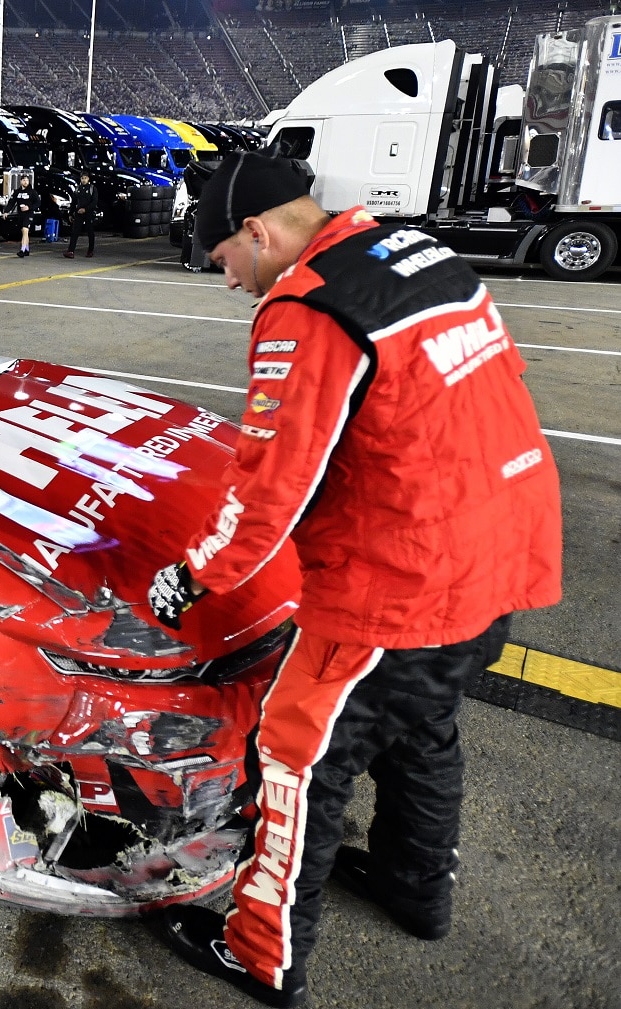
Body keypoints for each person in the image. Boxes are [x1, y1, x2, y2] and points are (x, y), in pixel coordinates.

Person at [145, 152, 562, 1008]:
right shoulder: (420, 256)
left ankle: (262, 954)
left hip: (401, 581)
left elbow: (270, 485)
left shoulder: (308, 310)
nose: (230, 283)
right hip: (502, 553)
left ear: (257, 233)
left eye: (224, 260)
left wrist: (190, 579)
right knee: (424, 725)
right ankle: (417, 888)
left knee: (298, 758)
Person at [65, 170, 97, 258]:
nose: (84, 180)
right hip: (78, 213)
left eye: (85, 178)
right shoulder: (78, 188)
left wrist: (85, 209)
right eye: (82, 178)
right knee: (75, 232)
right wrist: (71, 213)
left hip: (89, 213)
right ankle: (70, 251)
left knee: (90, 232)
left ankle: (90, 251)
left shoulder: (92, 188)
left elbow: (94, 202)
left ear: (88, 179)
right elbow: (74, 202)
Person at [9, 172, 37, 257]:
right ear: (20, 181)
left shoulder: (32, 192)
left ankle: (22, 249)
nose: (25, 182)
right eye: (24, 180)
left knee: (25, 230)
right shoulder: (17, 192)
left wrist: (29, 207)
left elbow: (38, 203)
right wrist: (6, 211)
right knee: (24, 232)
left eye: (27, 180)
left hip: (29, 214)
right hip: (21, 214)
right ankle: (27, 250)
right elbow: (12, 202)